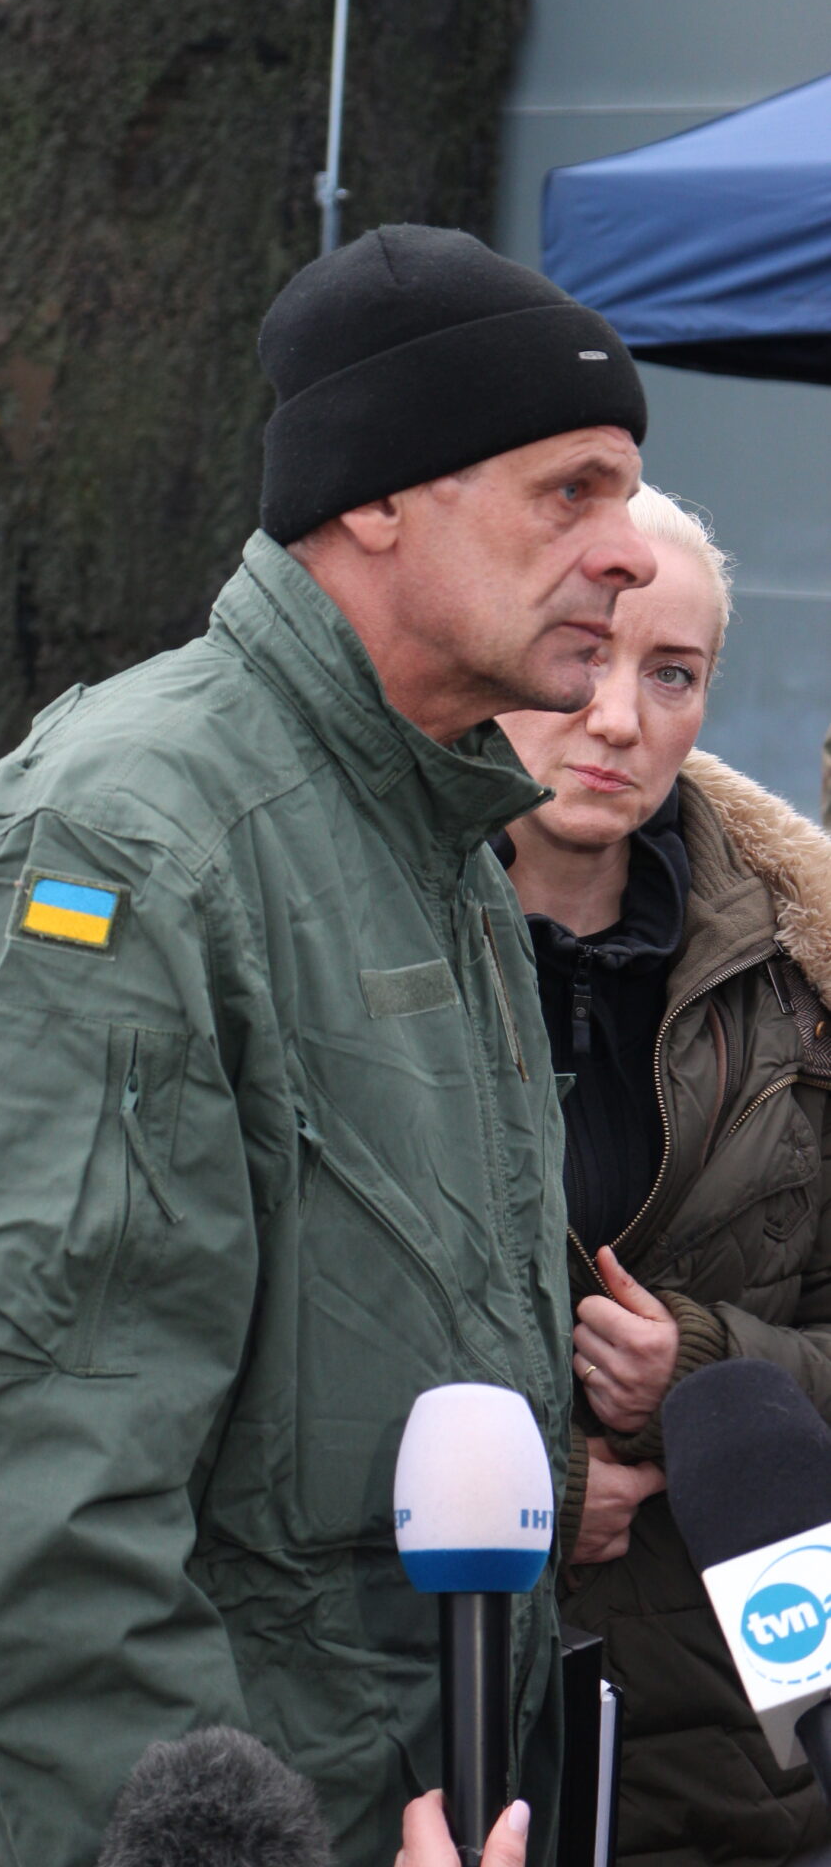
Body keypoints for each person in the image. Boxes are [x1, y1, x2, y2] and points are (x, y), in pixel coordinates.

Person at [0, 225, 655, 1867]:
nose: (627, 552)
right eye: (569, 491)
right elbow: (29, 1480)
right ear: (377, 497)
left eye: (626, 497)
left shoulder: (430, 832)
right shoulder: (126, 839)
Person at [496, 484, 831, 1867]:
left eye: (673, 674)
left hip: (739, 1756)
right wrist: (527, 1494)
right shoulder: (357, 953)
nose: (618, 719)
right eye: (584, 656)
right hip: (440, 1724)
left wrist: (704, 1368)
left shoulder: (803, 982)